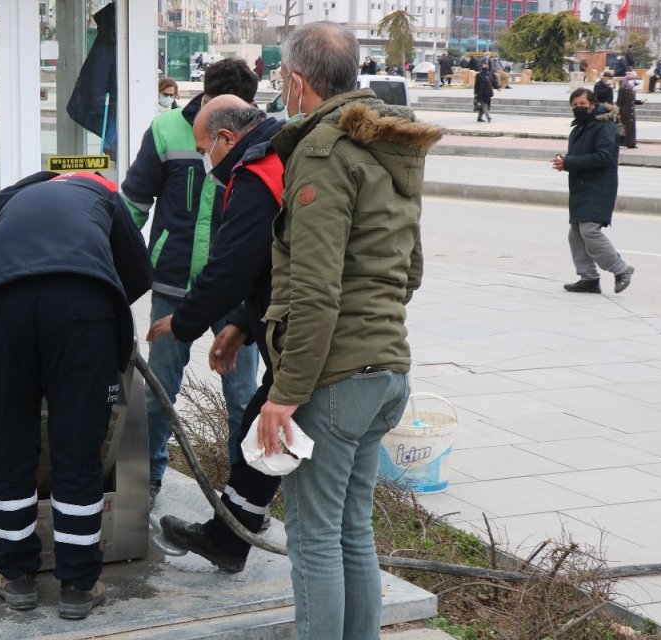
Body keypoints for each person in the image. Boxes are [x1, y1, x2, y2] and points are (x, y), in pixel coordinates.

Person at [255, 21, 440, 638]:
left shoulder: (322, 151)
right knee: (351, 529)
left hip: (332, 380)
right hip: (387, 373)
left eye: (283, 78)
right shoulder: (389, 145)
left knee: (312, 539)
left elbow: (314, 290)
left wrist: (284, 393)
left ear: (297, 81)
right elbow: (410, 269)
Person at [0, 170, 151, 620]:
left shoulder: (7, 204)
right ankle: (79, 586)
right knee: (77, 451)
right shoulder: (101, 193)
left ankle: (16, 576)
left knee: (11, 447)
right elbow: (138, 272)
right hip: (81, 310)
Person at [146, 94, 287, 571]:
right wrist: (244, 324)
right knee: (260, 425)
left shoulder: (257, 171)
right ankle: (228, 539)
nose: (206, 161)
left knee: (272, 426)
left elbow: (232, 264)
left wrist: (184, 320)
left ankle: (306, 558)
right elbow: (273, 262)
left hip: (316, 339)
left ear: (227, 138)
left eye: (206, 149)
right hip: (287, 325)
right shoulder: (275, 154)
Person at [120, 58, 261, 505]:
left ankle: (242, 488)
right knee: (160, 386)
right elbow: (134, 204)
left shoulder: (254, 138)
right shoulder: (166, 131)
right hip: (173, 284)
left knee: (243, 395)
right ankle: (150, 474)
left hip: (236, 293)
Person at [554, 89, 634, 295]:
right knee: (576, 235)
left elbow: (604, 156)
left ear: (592, 103)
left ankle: (621, 269)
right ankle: (589, 278)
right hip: (581, 186)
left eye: (582, 103)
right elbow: (580, 156)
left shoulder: (603, 127)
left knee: (590, 230)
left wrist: (569, 162)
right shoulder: (580, 128)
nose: (578, 107)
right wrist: (565, 162)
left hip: (599, 186)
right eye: (574, 104)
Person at [618, 71, 646, 149]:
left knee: (632, 127)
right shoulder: (623, 89)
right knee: (625, 128)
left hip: (631, 111)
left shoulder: (632, 89)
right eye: (631, 79)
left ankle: (631, 143)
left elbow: (633, 101)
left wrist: (640, 102)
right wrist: (618, 112)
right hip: (625, 111)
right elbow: (619, 101)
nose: (633, 82)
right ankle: (623, 143)